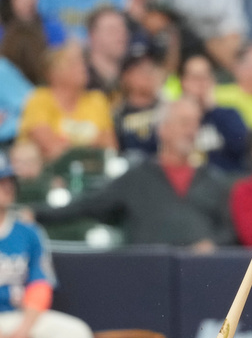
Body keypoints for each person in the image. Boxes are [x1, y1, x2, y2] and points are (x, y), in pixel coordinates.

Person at [0, 150, 119, 338]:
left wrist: (24, 329)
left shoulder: (28, 232)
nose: (5, 188)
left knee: (75, 333)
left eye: (7, 182)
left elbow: (39, 285)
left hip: (19, 319)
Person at [33, 97, 235, 250]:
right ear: (163, 129)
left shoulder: (213, 180)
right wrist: (36, 214)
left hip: (202, 274)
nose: (191, 131)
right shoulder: (136, 178)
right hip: (148, 274)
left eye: (195, 124)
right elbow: (88, 205)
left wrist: (212, 244)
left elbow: (231, 230)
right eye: (184, 123)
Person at [19, 42, 117, 163]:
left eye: (82, 63)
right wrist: (92, 143)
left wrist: (66, 144)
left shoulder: (96, 100)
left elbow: (110, 147)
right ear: (54, 73)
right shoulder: (39, 99)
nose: (83, 68)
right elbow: (49, 146)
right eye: (74, 64)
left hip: (94, 172)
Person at [179, 54, 248, 174]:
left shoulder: (228, 115)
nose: (201, 84)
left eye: (205, 78)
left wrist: (213, 110)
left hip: (224, 181)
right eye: (195, 78)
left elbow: (242, 148)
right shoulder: (175, 118)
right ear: (184, 82)